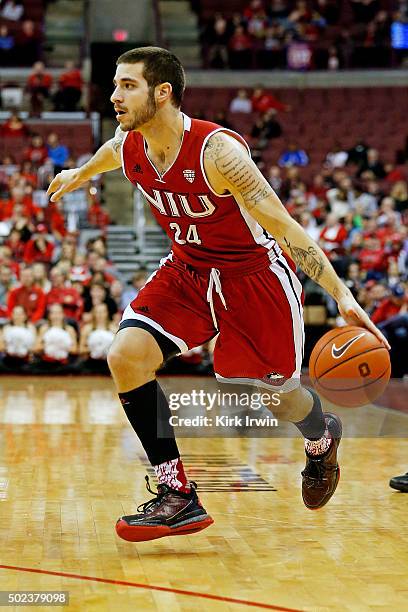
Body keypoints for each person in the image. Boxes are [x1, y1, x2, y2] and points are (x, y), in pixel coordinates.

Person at [47, 46, 389, 543]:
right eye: (115, 84)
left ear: (162, 93)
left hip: (253, 278)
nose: (114, 95)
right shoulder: (130, 142)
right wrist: (78, 175)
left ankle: (320, 438)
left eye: (127, 85)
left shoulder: (219, 153)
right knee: (125, 356)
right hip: (187, 270)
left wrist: (342, 295)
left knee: (279, 397)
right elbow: (110, 153)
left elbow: (284, 226)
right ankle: (177, 494)